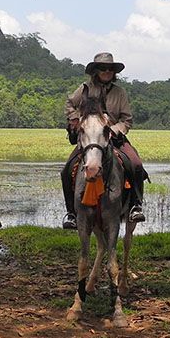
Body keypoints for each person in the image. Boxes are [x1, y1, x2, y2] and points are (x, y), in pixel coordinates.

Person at [61, 52, 146, 229]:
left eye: (109, 69)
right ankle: (71, 213)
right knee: (66, 171)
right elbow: (70, 103)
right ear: (96, 71)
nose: (106, 71)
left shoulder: (119, 93)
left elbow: (127, 119)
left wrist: (114, 130)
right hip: (90, 138)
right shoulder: (85, 88)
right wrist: (76, 119)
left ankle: (135, 205)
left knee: (136, 165)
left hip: (114, 138)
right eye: (103, 68)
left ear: (113, 72)